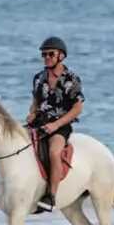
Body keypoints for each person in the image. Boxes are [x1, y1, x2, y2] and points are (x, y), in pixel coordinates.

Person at [27, 37, 85, 212]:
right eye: (43, 54)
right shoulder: (38, 78)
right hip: (39, 122)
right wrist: (32, 113)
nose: (46, 57)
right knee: (14, 144)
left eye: (50, 54)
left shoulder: (71, 79)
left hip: (61, 126)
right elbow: (36, 101)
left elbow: (77, 108)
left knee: (54, 152)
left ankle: (51, 196)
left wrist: (56, 125)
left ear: (61, 56)